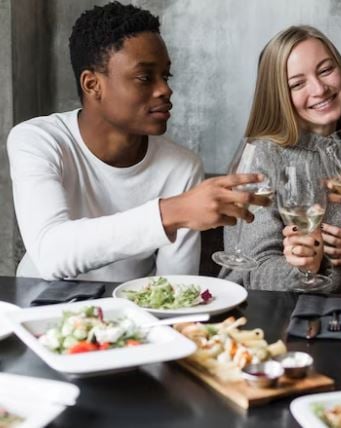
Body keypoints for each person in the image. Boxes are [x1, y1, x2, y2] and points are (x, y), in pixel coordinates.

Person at [7, 2, 267, 282]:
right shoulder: (38, 140)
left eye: (165, 76)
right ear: (92, 84)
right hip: (37, 309)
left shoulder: (181, 167)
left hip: (129, 317)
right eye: (145, 77)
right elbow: (50, 254)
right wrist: (172, 211)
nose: (165, 89)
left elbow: (174, 289)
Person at [220, 25, 341, 293]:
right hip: (275, 318)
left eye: (325, 70)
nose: (319, 88)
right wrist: (303, 267)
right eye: (297, 84)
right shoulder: (264, 154)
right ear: (279, 95)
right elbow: (254, 273)